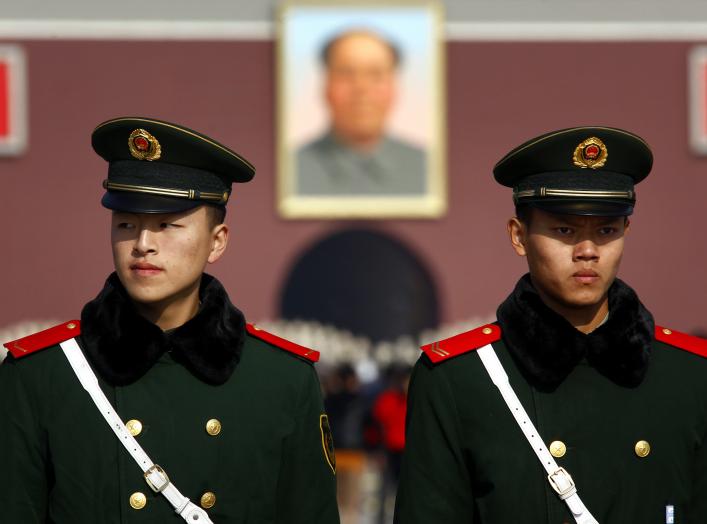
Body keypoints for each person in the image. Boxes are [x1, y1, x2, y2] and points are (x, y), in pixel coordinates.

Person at [0, 117, 340, 523]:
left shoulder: (281, 379)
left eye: (167, 226)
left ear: (217, 241)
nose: (143, 245)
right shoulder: (42, 376)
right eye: (126, 224)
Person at [394, 126, 707, 523]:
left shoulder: (690, 376)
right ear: (518, 236)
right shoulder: (459, 380)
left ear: (627, 231)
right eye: (565, 230)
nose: (588, 251)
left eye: (606, 230)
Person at [296, 29, 426, 196]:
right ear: (326, 86)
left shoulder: (428, 167)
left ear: (395, 88)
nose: (361, 88)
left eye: (376, 75)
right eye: (346, 74)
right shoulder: (290, 167)